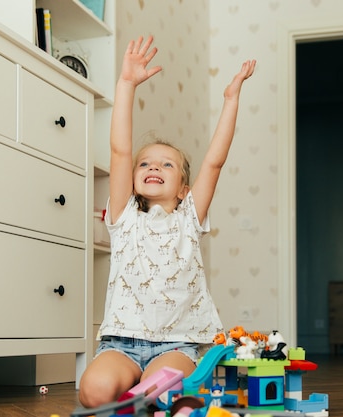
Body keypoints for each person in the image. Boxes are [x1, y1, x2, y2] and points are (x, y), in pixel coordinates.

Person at [78, 35, 256, 408]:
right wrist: (126, 84)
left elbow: (214, 162)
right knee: (92, 392)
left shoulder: (190, 217)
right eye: (146, 164)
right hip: (120, 344)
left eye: (166, 164)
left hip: (175, 344)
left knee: (157, 392)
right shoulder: (125, 215)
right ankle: (134, 399)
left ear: (182, 189)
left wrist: (231, 99)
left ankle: (145, 400)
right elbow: (120, 149)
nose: (153, 166)